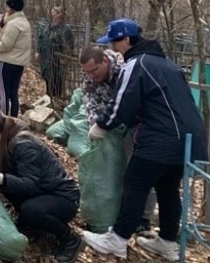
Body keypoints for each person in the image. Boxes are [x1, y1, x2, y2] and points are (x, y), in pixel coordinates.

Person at [82, 19, 208, 261]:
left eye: (116, 41)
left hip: (161, 136)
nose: (114, 47)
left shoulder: (136, 63)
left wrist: (102, 125)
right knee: (168, 188)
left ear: (128, 40)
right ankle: (168, 242)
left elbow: (123, 100)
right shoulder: (168, 64)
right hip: (190, 136)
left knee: (134, 183)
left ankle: (117, 239)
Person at [0, 109, 83, 262]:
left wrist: (0, 177)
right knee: (10, 186)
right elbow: (1, 154)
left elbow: (31, 184)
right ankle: (31, 224)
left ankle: (70, 239)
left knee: (30, 209)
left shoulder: (23, 145)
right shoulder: (3, 139)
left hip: (64, 197)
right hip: (45, 192)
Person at [78, 45, 156, 234]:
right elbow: (89, 99)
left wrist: (107, 123)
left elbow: (129, 101)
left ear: (104, 60)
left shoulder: (126, 70)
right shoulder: (89, 75)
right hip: (113, 122)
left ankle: (144, 219)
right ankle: (118, 212)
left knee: (139, 169)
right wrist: (94, 123)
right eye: (87, 72)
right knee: (116, 168)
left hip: (141, 123)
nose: (91, 76)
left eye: (94, 70)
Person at [36, 6, 75, 99]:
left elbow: (69, 45)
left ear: (60, 14)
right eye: (52, 12)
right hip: (46, 58)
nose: (52, 14)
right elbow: (41, 39)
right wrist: (38, 51)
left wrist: (66, 57)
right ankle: (48, 99)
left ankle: (55, 99)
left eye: (55, 12)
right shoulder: (47, 27)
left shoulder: (65, 29)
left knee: (56, 81)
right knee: (46, 78)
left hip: (57, 60)